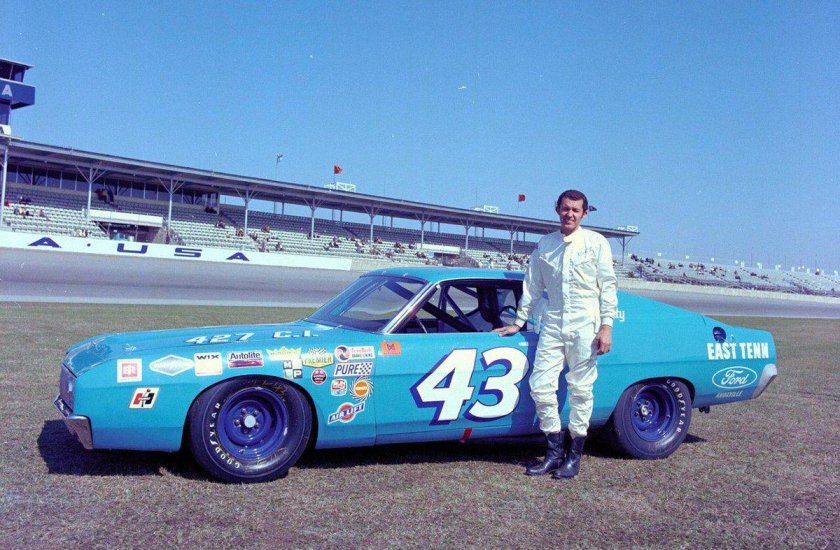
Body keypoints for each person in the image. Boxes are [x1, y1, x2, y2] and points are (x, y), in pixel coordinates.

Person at [494, 189, 617, 479]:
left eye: (575, 210)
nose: (570, 214)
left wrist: (607, 326)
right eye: (565, 209)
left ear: (585, 213)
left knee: (581, 390)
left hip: (586, 322)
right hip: (554, 320)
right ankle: (552, 452)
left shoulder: (596, 243)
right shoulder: (546, 244)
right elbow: (532, 286)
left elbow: (607, 286)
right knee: (540, 385)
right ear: (557, 209)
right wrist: (519, 321)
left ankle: (574, 457)